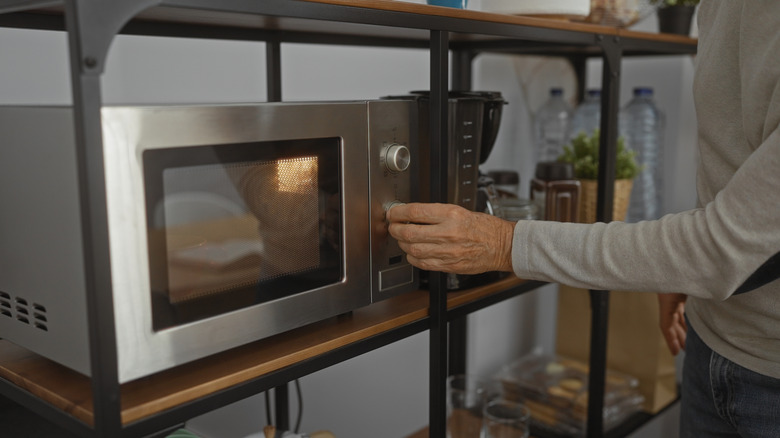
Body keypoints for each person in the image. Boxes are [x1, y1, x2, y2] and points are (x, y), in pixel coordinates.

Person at [386, 1, 780, 437]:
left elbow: (720, 250)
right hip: (707, 338)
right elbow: (739, 171)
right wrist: (684, 269)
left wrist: (502, 244)